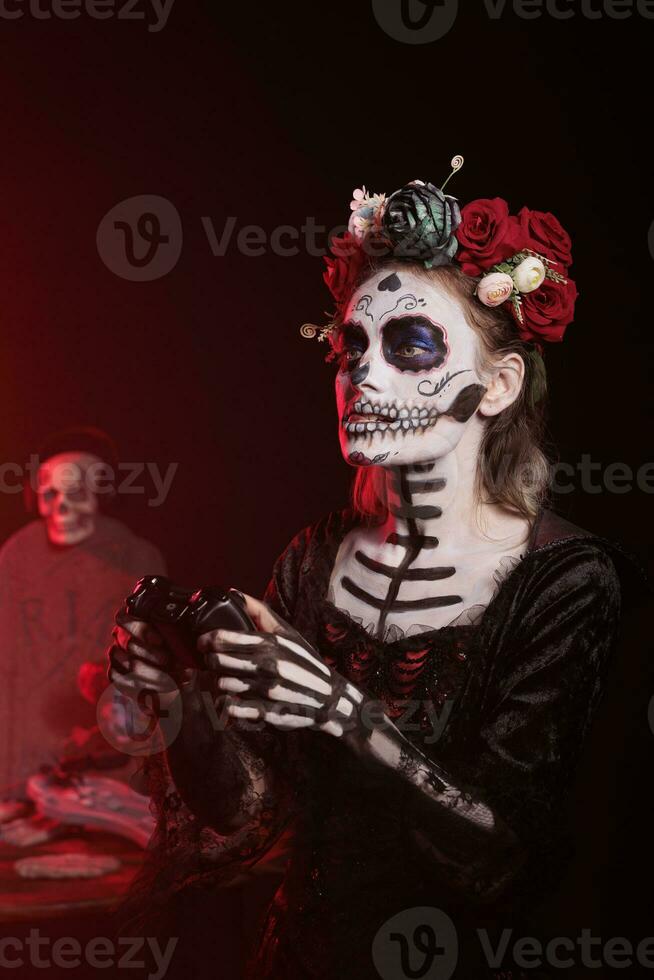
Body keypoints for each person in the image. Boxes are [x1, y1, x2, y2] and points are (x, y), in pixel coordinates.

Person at [108, 170, 645, 978]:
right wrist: (180, 698)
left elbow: (510, 861)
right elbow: (251, 819)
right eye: (352, 346)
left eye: (411, 345)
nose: (363, 372)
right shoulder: (316, 555)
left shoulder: (570, 582)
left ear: (496, 387)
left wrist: (343, 712)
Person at [0, 426, 165, 799]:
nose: (60, 506)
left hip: (107, 761)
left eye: (76, 494)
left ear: (102, 495)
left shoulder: (137, 559)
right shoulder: (16, 557)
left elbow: (150, 671)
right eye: (49, 494)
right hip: (28, 754)